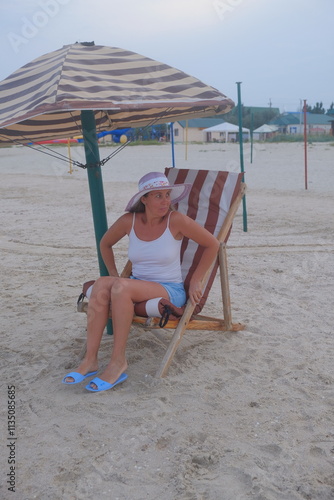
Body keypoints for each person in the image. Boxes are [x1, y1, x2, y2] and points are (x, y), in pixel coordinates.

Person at [62, 171, 220, 392]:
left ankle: (118, 362)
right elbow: (105, 243)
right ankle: (90, 360)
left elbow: (213, 244)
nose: (166, 201)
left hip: (169, 290)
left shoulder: (176, 221)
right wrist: (114, 273)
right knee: (102, 283)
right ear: (143, 199)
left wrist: (195, 279)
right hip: (135, 285)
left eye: (167, 195)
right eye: (158, 196)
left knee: (120, 288)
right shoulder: (129, 221)